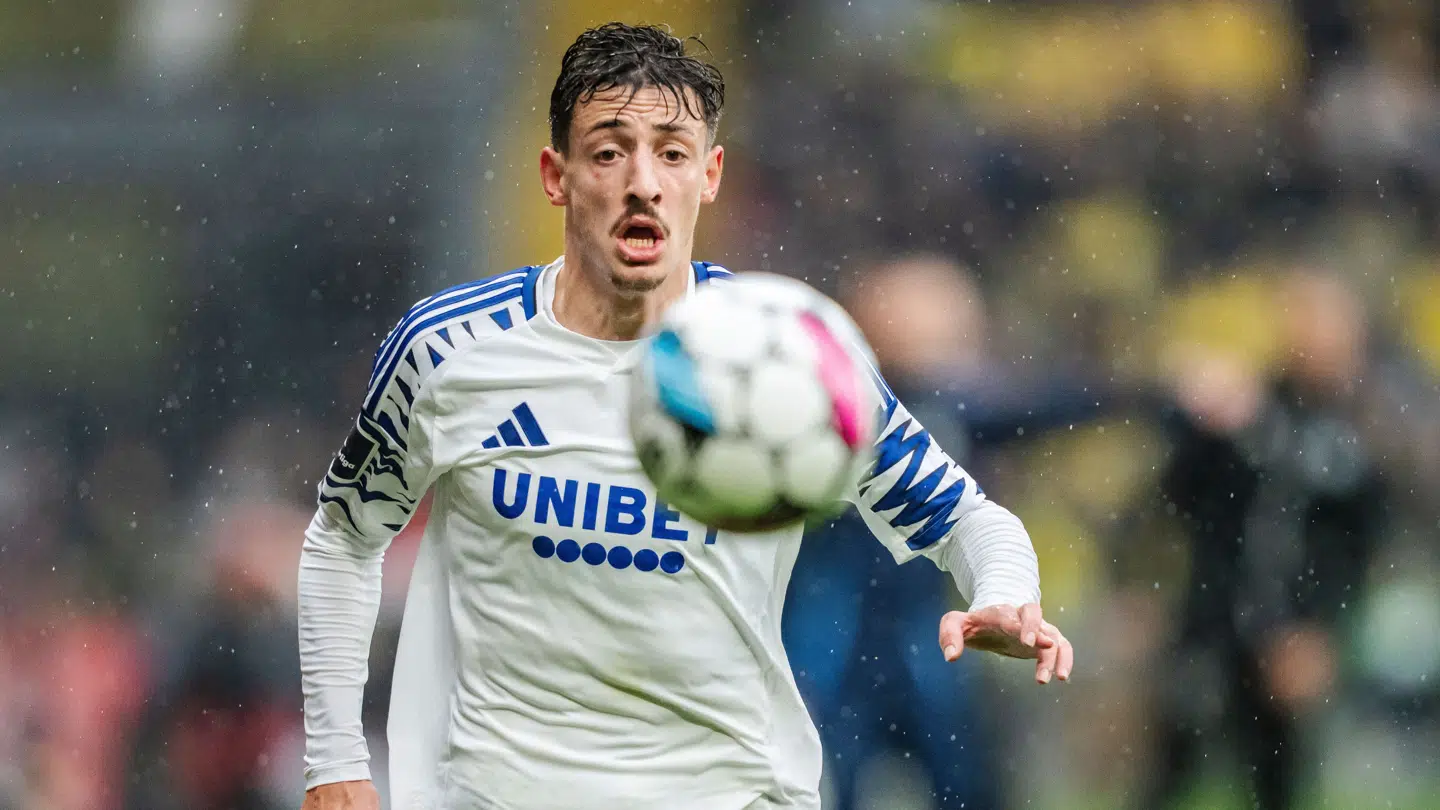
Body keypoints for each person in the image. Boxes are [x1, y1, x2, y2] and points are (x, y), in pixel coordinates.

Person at [298, 23, 1073, 810]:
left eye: (671, 152)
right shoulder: (450, 348)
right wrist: (332, 759)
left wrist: (1004, 593)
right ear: (555, 175)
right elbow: (343, 538)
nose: (643, 182)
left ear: (710, 175)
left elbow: (969, 520)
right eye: (609, 151)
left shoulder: (783, 356)